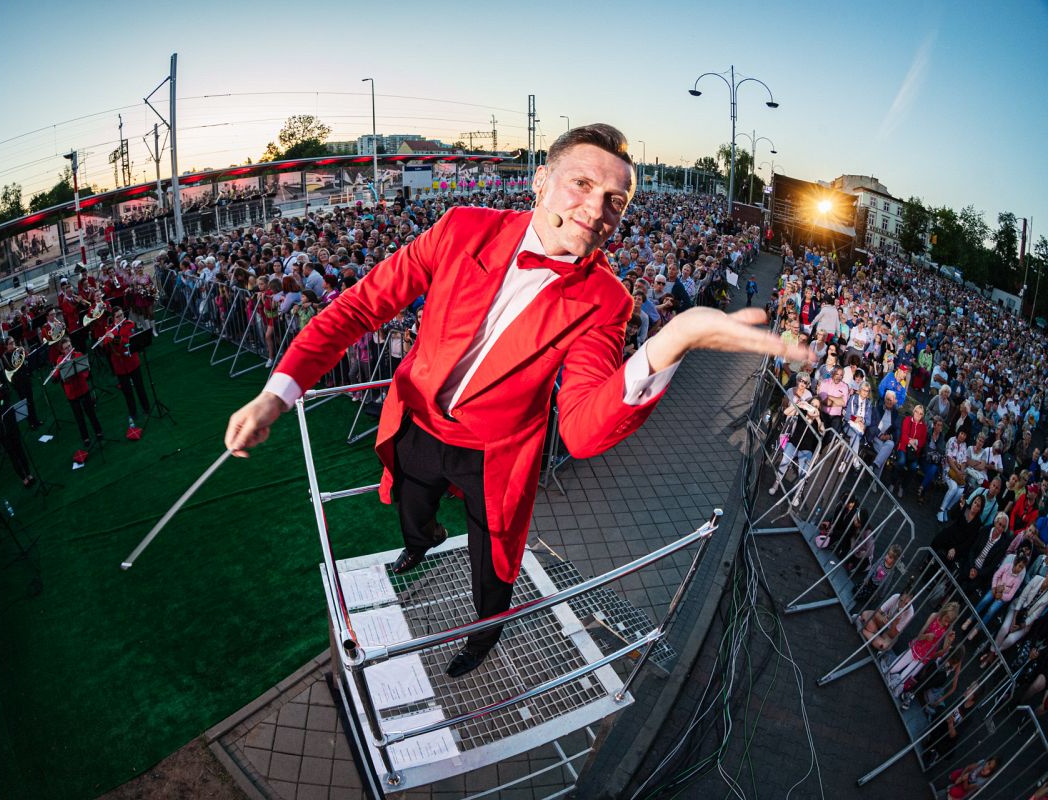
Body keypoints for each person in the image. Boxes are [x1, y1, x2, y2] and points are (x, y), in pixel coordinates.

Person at [223, 124, 810, 677]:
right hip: (419, 421)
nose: (596, 209)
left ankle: (484, 635)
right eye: (582, 183)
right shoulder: (461, 227)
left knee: (494, 564)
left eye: (615, 200)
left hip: (495, 453)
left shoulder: (607, 301)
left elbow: (581, 431)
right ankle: (421, 543)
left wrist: (669, 343)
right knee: (411, 504)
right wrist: (278, 392)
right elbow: (360, 306)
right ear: (540, 180)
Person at [99, 307, 150, 427]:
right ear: (113, 318)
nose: (121, 317)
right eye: (118, 316)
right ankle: (133, 412)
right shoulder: (109, 330)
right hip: (120, 365)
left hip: (132, 361)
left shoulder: (130, 324)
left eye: (121, 315)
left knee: (139, 387)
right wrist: (102, 343)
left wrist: (114, 338)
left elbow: (127, 342)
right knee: (127, 392)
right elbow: (107, 349)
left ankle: (146, 408)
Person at [52, 338, 103, 447]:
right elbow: (57, 376)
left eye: (69, 346)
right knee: (79, 417)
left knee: (90, 412)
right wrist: (56, 372)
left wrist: (80, 373)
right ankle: (86, 438)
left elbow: (86, 371)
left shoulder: (78, 355)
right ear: (62, 351)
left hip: (83, 388)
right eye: (66, 348)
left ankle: (98, 431)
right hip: (71, 393)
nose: (68, 349)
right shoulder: (60, 360)